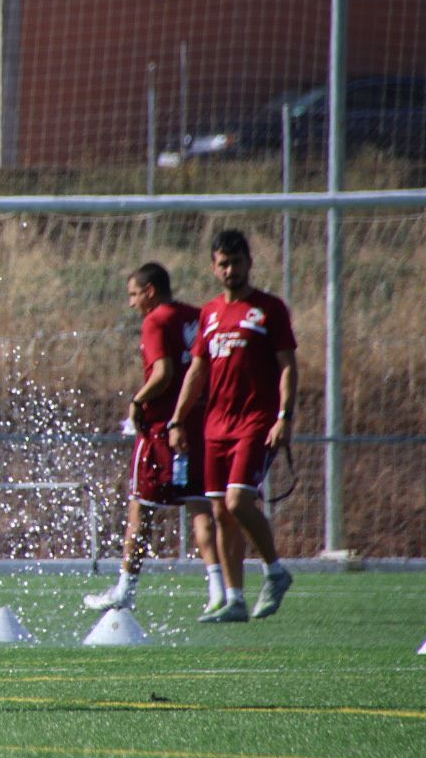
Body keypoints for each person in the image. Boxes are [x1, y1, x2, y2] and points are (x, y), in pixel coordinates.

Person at [167, 230, 296, 622]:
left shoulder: (268, 309)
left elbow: (288, 365)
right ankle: (235, 599)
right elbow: (198, 371)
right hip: (215, 426)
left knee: (239, 502)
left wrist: (284, 416)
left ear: (249, 263)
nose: (230, 270)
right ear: (213, 267)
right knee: (221, 512)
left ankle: (275, 571)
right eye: (223, 263)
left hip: (255, 421)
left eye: (236, 262)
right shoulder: (209, 313)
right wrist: (177, 419)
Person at [84, 263, 225, 616]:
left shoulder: (156, 320)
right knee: (199, 507)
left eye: (133, 294)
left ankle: (124, 590)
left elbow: (163, 373)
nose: (131, 304)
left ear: (149, 291)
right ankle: (220, 590)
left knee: (140, 508)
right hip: (197, 422)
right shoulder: (197, 315)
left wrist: (137, 400)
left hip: (163, 427)